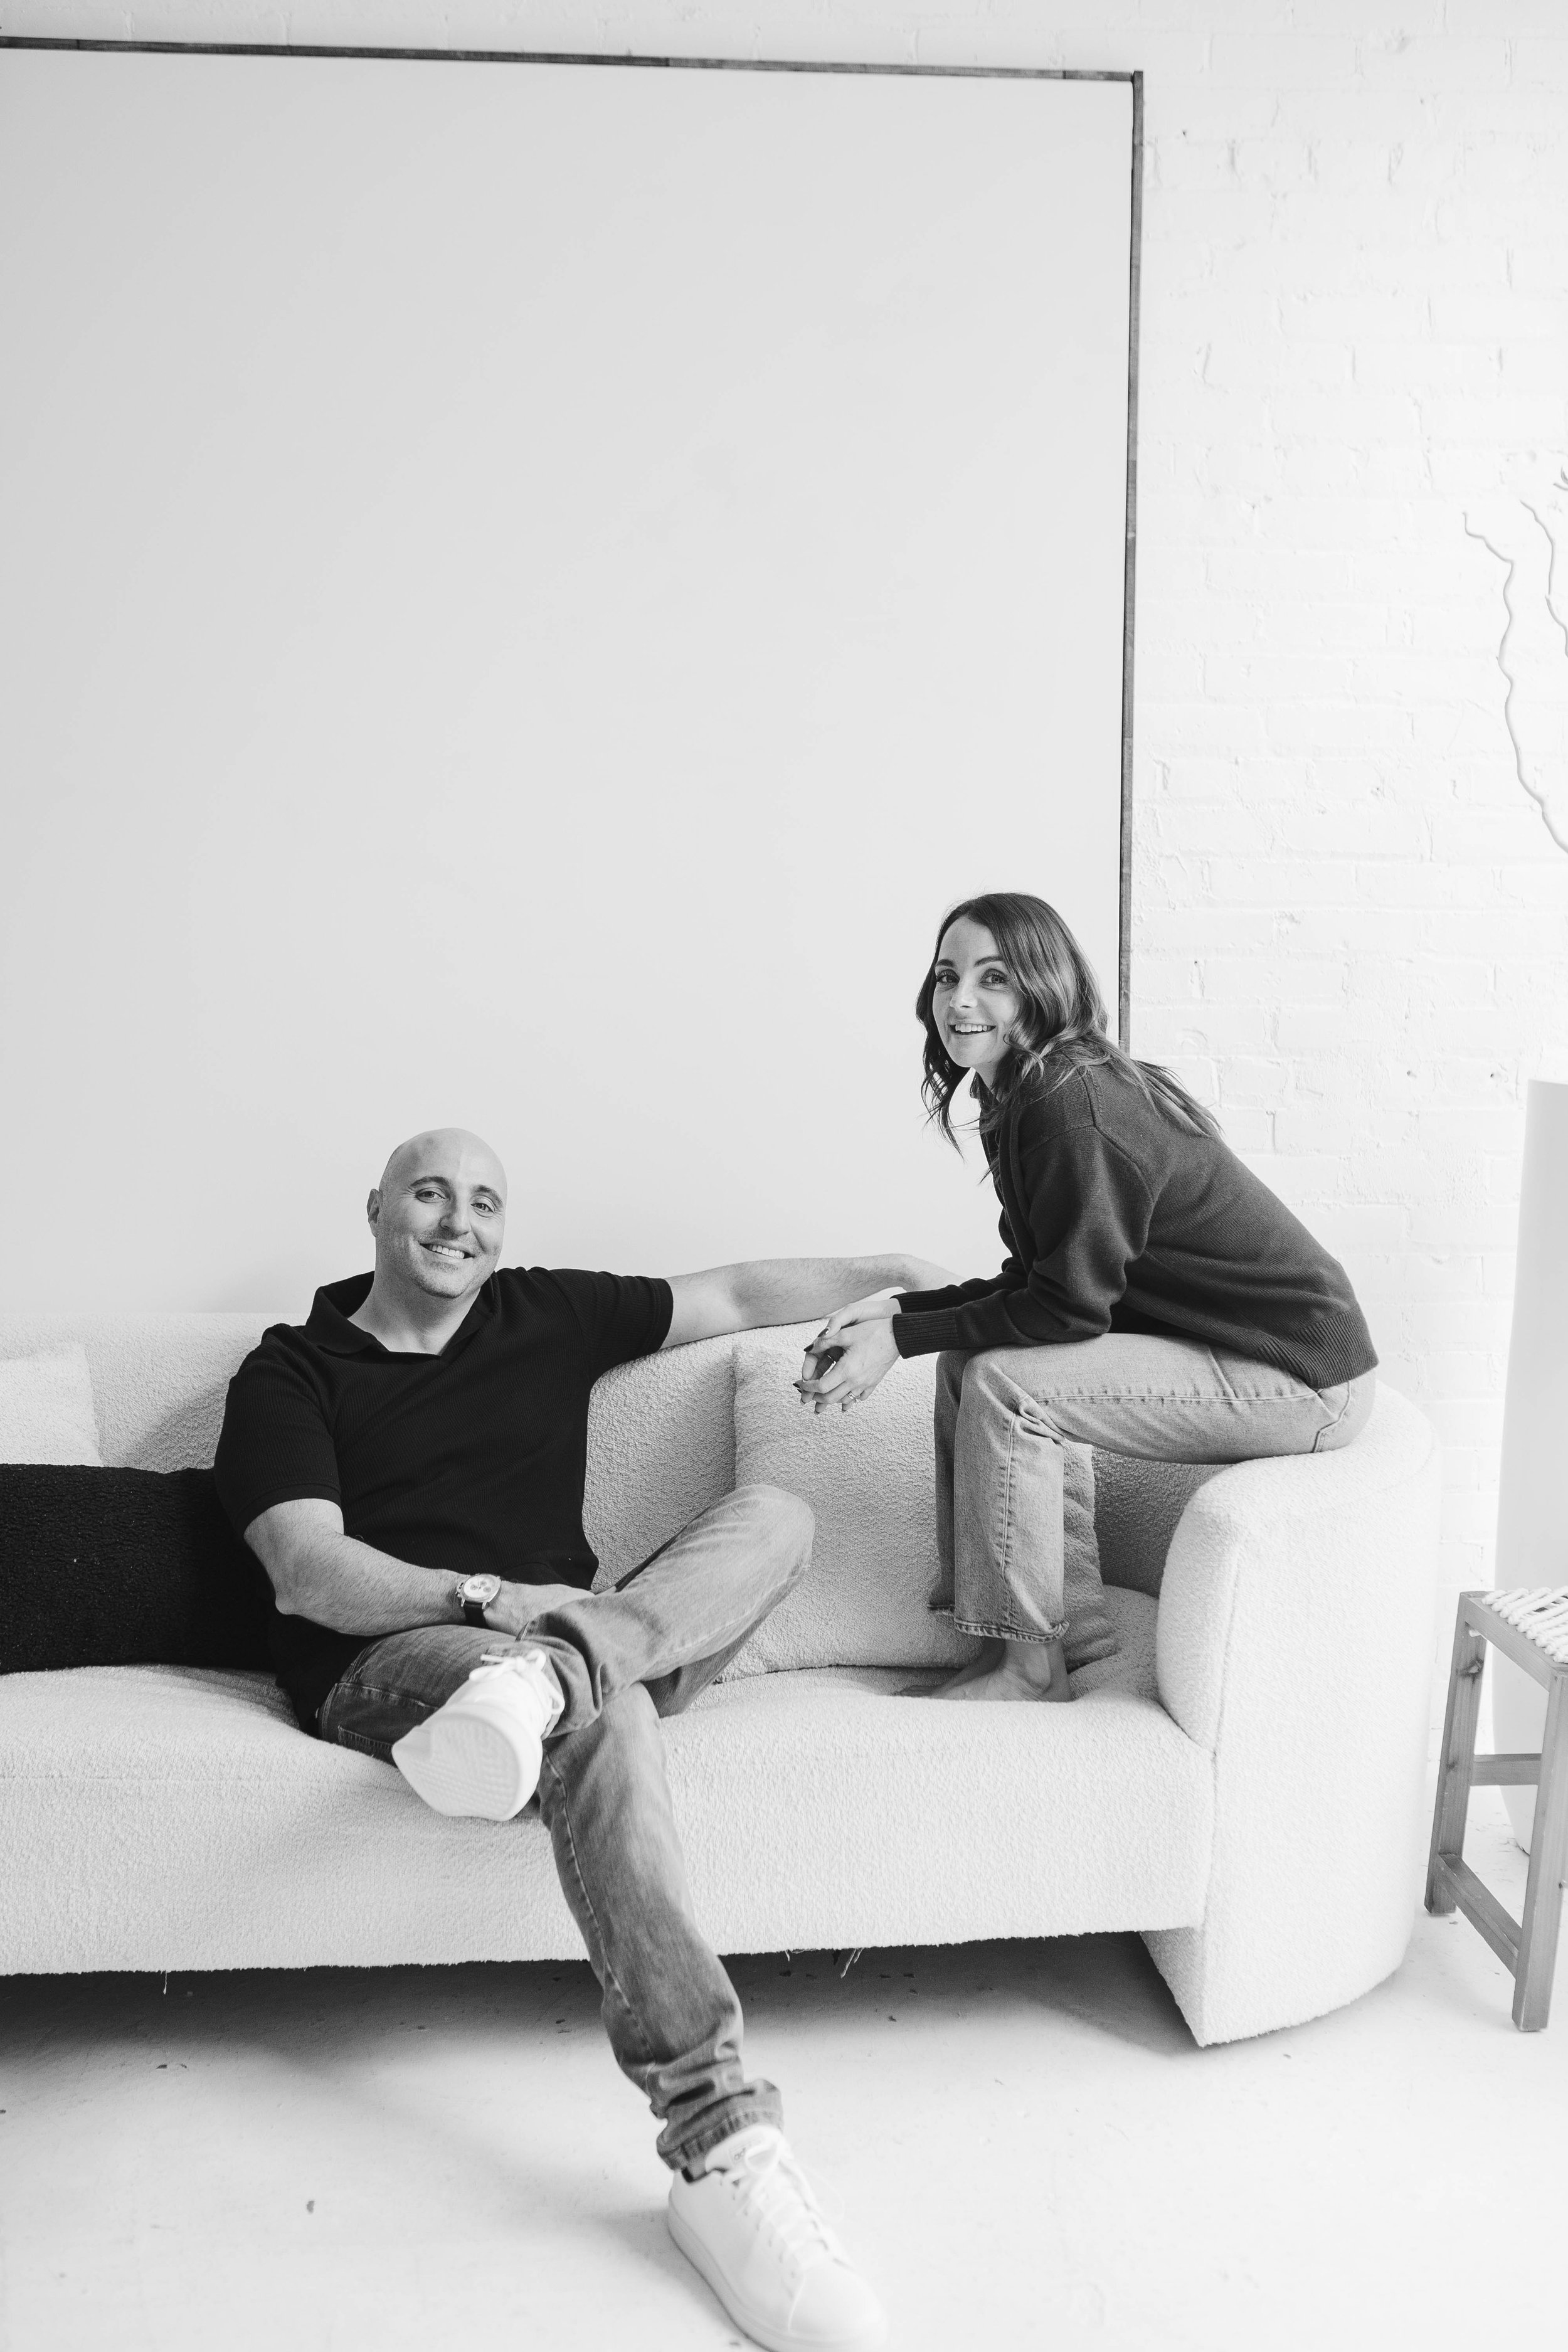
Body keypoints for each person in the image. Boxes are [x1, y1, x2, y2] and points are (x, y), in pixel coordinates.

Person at [215, 1126, 950, 2352]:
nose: (458, 1221)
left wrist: (897, 1269)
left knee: (773, 1514)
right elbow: (308, 1574)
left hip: (561, 1651)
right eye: (430, 1195)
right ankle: (719, 2147)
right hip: (394, 1664)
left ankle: (555, 1680)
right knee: (601, 1709)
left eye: (484, 1201)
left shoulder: (544, 1313)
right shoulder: (292, 1371)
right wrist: (484, 1602)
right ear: (376, 1210)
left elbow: (735, 1294)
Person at [798, 893, 1379, 1705]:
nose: (960, 999)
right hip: (1235, 1351)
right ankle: (1044, 1635)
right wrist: (899, 1318)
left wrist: (899, 1337)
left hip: (1301, 1377)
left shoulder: (1070, 1106)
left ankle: (1027, 1669)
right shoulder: (1025, 1095)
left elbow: (1069, 1314)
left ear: (1041, 987)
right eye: (946, 976)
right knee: (974, 1360)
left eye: (993, 978)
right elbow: (1043, 1286)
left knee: (1009, 1384)